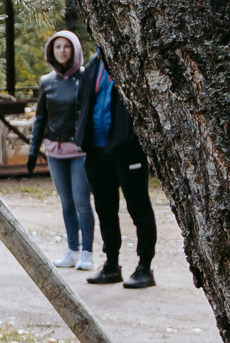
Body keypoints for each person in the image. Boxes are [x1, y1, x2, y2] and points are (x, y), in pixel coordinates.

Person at [79, 50, 157, 289]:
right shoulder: (94, 65)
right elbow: (82, 102)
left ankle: (145, 267)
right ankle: (111, 264)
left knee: (138, 207)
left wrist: (135, 138)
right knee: (105, 209)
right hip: (96, 150)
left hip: (127, 149)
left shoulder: (130, 61)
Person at [30, 31, 94, 272]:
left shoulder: (86, 78)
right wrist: (33, 149)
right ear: (51, 50)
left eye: (67, 46)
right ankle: (72, 249)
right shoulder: (47, 82)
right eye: (58, 47)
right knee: (66, 202)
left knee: (82, 202)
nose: (62, 51)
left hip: (79, 150)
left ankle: (87, 252)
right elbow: (40, 117)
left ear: (75, 49)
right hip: (54, 150)